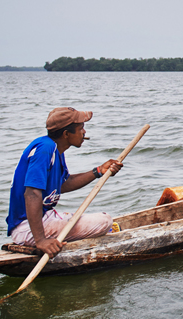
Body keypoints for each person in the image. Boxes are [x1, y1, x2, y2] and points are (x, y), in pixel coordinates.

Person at [6, 107, 123, 258]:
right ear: (66, 134)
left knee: (95, 220)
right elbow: (32, 194)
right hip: (27, 228)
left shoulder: (55, 150)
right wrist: (41, 240)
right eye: (81, 128)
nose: (84, 132)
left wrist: (99, 171)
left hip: (44, 218)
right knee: (105, 221)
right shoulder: (45, 149)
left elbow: (63, 184)